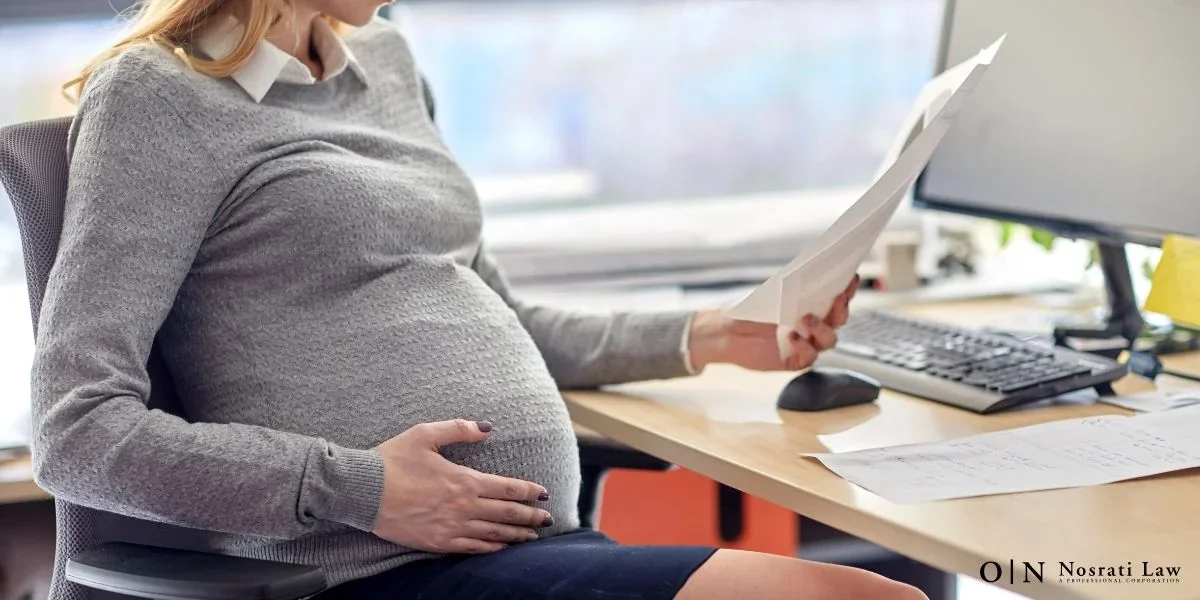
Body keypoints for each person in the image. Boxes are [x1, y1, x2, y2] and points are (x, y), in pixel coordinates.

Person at [30, 0, 927, 598]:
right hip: (367, 571)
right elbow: (76, 432)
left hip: (527, 548)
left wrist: (716, 335)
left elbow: (497, 312)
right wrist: (363, 487)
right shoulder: (159, 96)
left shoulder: (383, 59)